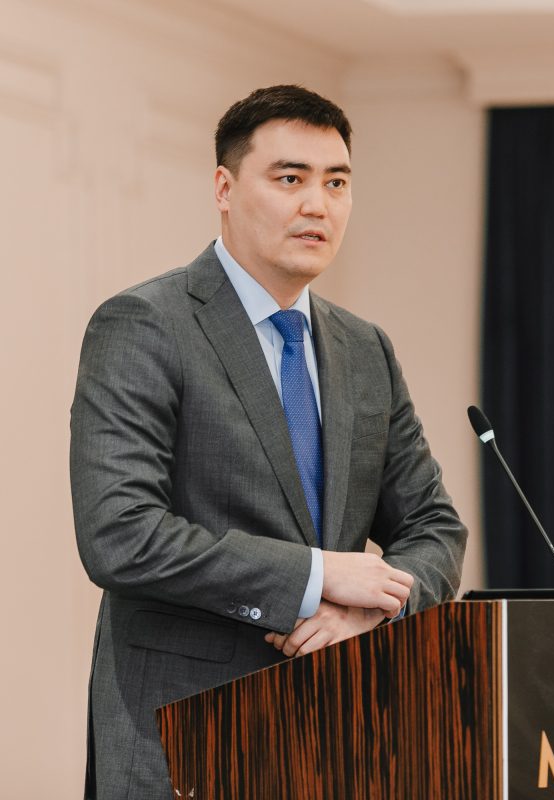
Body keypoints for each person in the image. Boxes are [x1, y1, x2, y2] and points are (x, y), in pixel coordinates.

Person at [70, 85, 467, 800]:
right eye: (290, 178)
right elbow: (120, 535)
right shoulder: (144, 324)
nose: (318, 204)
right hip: (183, 736)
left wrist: (367, 613)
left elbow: (433, 525)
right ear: (224, 189)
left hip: (340, 733)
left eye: (336, 183)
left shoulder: (364, 349)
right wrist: (315, 577)